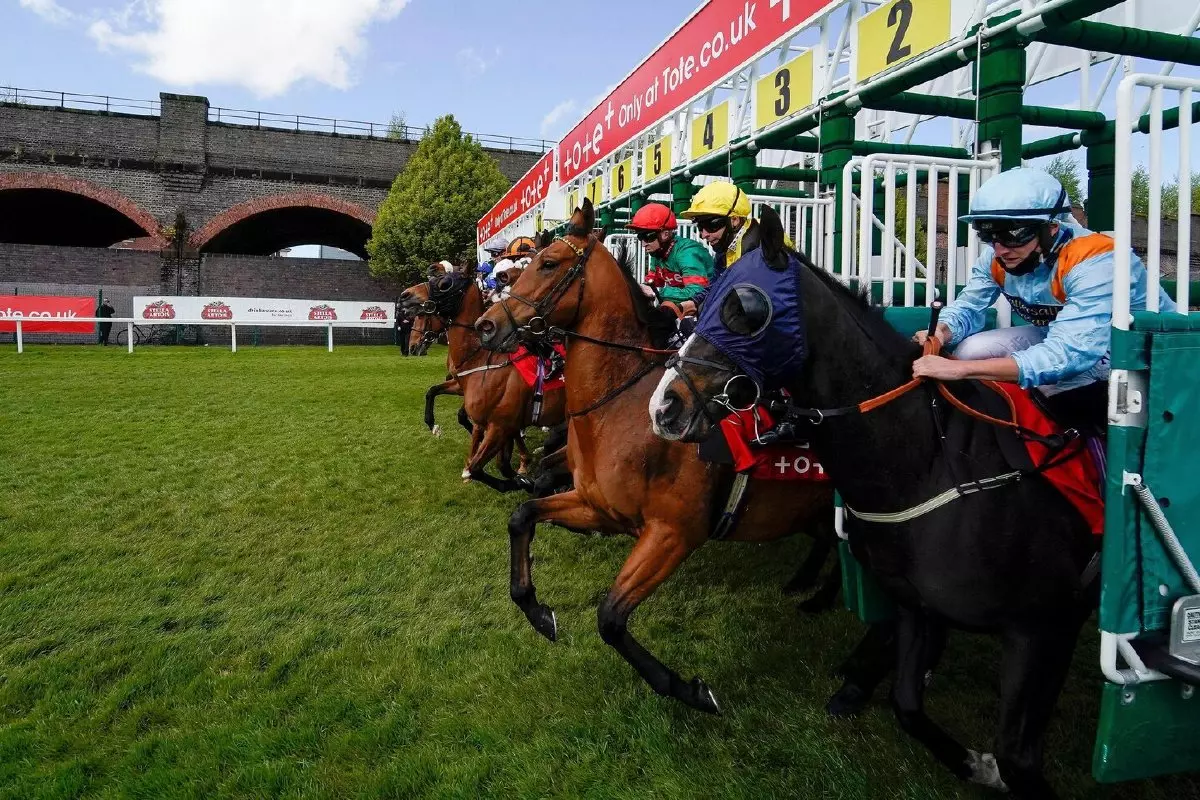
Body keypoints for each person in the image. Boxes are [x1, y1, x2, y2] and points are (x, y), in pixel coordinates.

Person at [911, 167, 1175, 395]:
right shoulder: (996, 256)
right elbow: (968, 308)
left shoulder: (1096, 260)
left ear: (1051, 228)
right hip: (1061, 336)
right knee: (971, 350)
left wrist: (961, 370)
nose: (1000, 249)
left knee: (1053, 382)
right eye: (988, 235)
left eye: (1013, 235)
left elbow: (1070, 353)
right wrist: (942, 332)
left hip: (1141, 351)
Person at [626, 202, 714, 319]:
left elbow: (697, 291)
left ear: (665, 234)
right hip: (689, 308)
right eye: (640, 237)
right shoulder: (657, 253)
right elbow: (653, 282)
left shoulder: (687, 252)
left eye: (647, 237)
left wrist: (657, 292)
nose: (643, 244)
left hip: (709, 306)